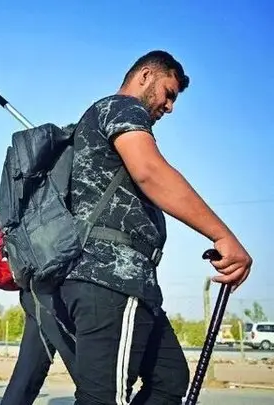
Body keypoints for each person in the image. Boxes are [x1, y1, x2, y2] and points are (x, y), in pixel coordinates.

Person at [43, 50, 252, 404]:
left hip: (129, 282)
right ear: (145, 76)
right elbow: (150, 171)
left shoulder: (105, 117)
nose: (169, 107)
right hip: (111, 278)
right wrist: (223, 236)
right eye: (168, 94)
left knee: (169, 380)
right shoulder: (122, 107)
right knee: (104, 398)